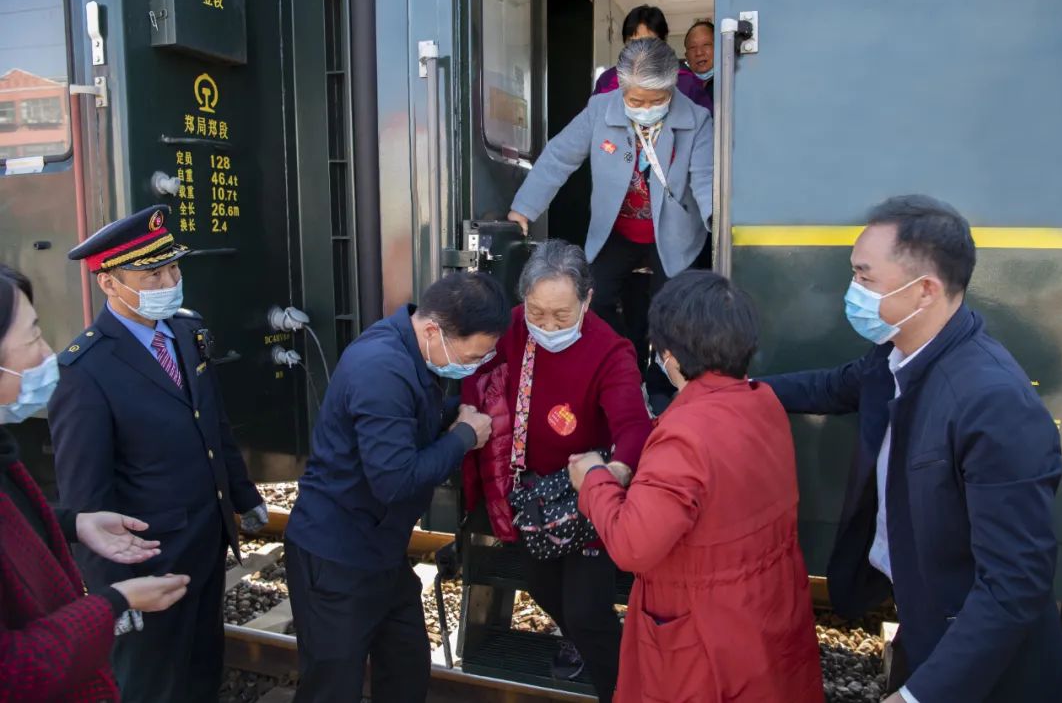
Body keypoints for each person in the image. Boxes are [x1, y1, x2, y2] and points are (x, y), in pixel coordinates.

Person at [760, 196, 1062, 703]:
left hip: (992, 672)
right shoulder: (899, 352)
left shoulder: (993, 403)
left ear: (925, 290)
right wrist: (735, 390)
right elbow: (833, 386)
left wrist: (919, 695)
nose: (852, 292)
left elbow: (1013, 585)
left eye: (865, 277)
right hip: (924, 619)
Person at [568, 270, 823, 702]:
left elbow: (634, 545)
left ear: (668, 354)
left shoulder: (685, 434)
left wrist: (593, 478)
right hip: (767, 609)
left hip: (702, 639)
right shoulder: (763, 401)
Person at [49, 206, 268, 702]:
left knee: (200, 667)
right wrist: (111, 594)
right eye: (152, 273)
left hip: (206, 540)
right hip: (148, 558)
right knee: (152, 681)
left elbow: (213, 426)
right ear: (109, 283)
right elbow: (87, 498)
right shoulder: (87, 370)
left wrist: (242, 493)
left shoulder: (186, 333)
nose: (169, 281)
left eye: (173, 268)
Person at [285, 272, 509, 703]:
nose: (475, 364)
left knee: (406, 666)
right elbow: (394, 478)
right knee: (332, 689)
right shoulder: (381, 369)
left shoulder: (410, 348)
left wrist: (449, 412)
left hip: (379, 551)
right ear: (432, 330)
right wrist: (463, 437)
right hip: (336, 557)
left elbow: (409, 417)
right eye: (473, 354)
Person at [461, 240, 652, 703]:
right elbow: (478, 366)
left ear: (587, 301)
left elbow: (632, 425)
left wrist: (614, 473)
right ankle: (583, 641)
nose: (547, 325)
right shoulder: (512, 326)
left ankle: (624, 689)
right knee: (544, 587)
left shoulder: (611, 350)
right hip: (529, 494)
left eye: (561, 315)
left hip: (585, 494)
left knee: (588, 613)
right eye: (537, 312)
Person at [0, 265, 190, 702]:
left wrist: (73, 524)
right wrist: (114, 602)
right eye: (32, 339)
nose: (48, 353)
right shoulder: (89, 367)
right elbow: (15, 670)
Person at [508, 39, 712, 363]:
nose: (646, 108)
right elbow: (559, 157)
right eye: (636, 100)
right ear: (621, 87)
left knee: (669, 311)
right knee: (593, 297)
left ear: (672, 89)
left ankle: (663, 384)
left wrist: (715, 217)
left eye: (656, 100)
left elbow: (706, 176)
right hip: (618, 230)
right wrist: (524, 207)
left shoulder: (697, 120)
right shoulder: (600, 110)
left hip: (672, 233)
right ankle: (623, 359)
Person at [593, 5, 712, 113]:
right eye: (633, 44)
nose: (640, 51)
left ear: (663, 42)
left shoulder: (686, 83)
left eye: (648, 43)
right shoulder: (607, 80)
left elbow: (706, 129)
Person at [683, 20, 714, 95]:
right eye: (692, 47)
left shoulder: (730, 83)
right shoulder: (680, 91)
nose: (699, 53)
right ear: (686, 56)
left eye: (706, 44)